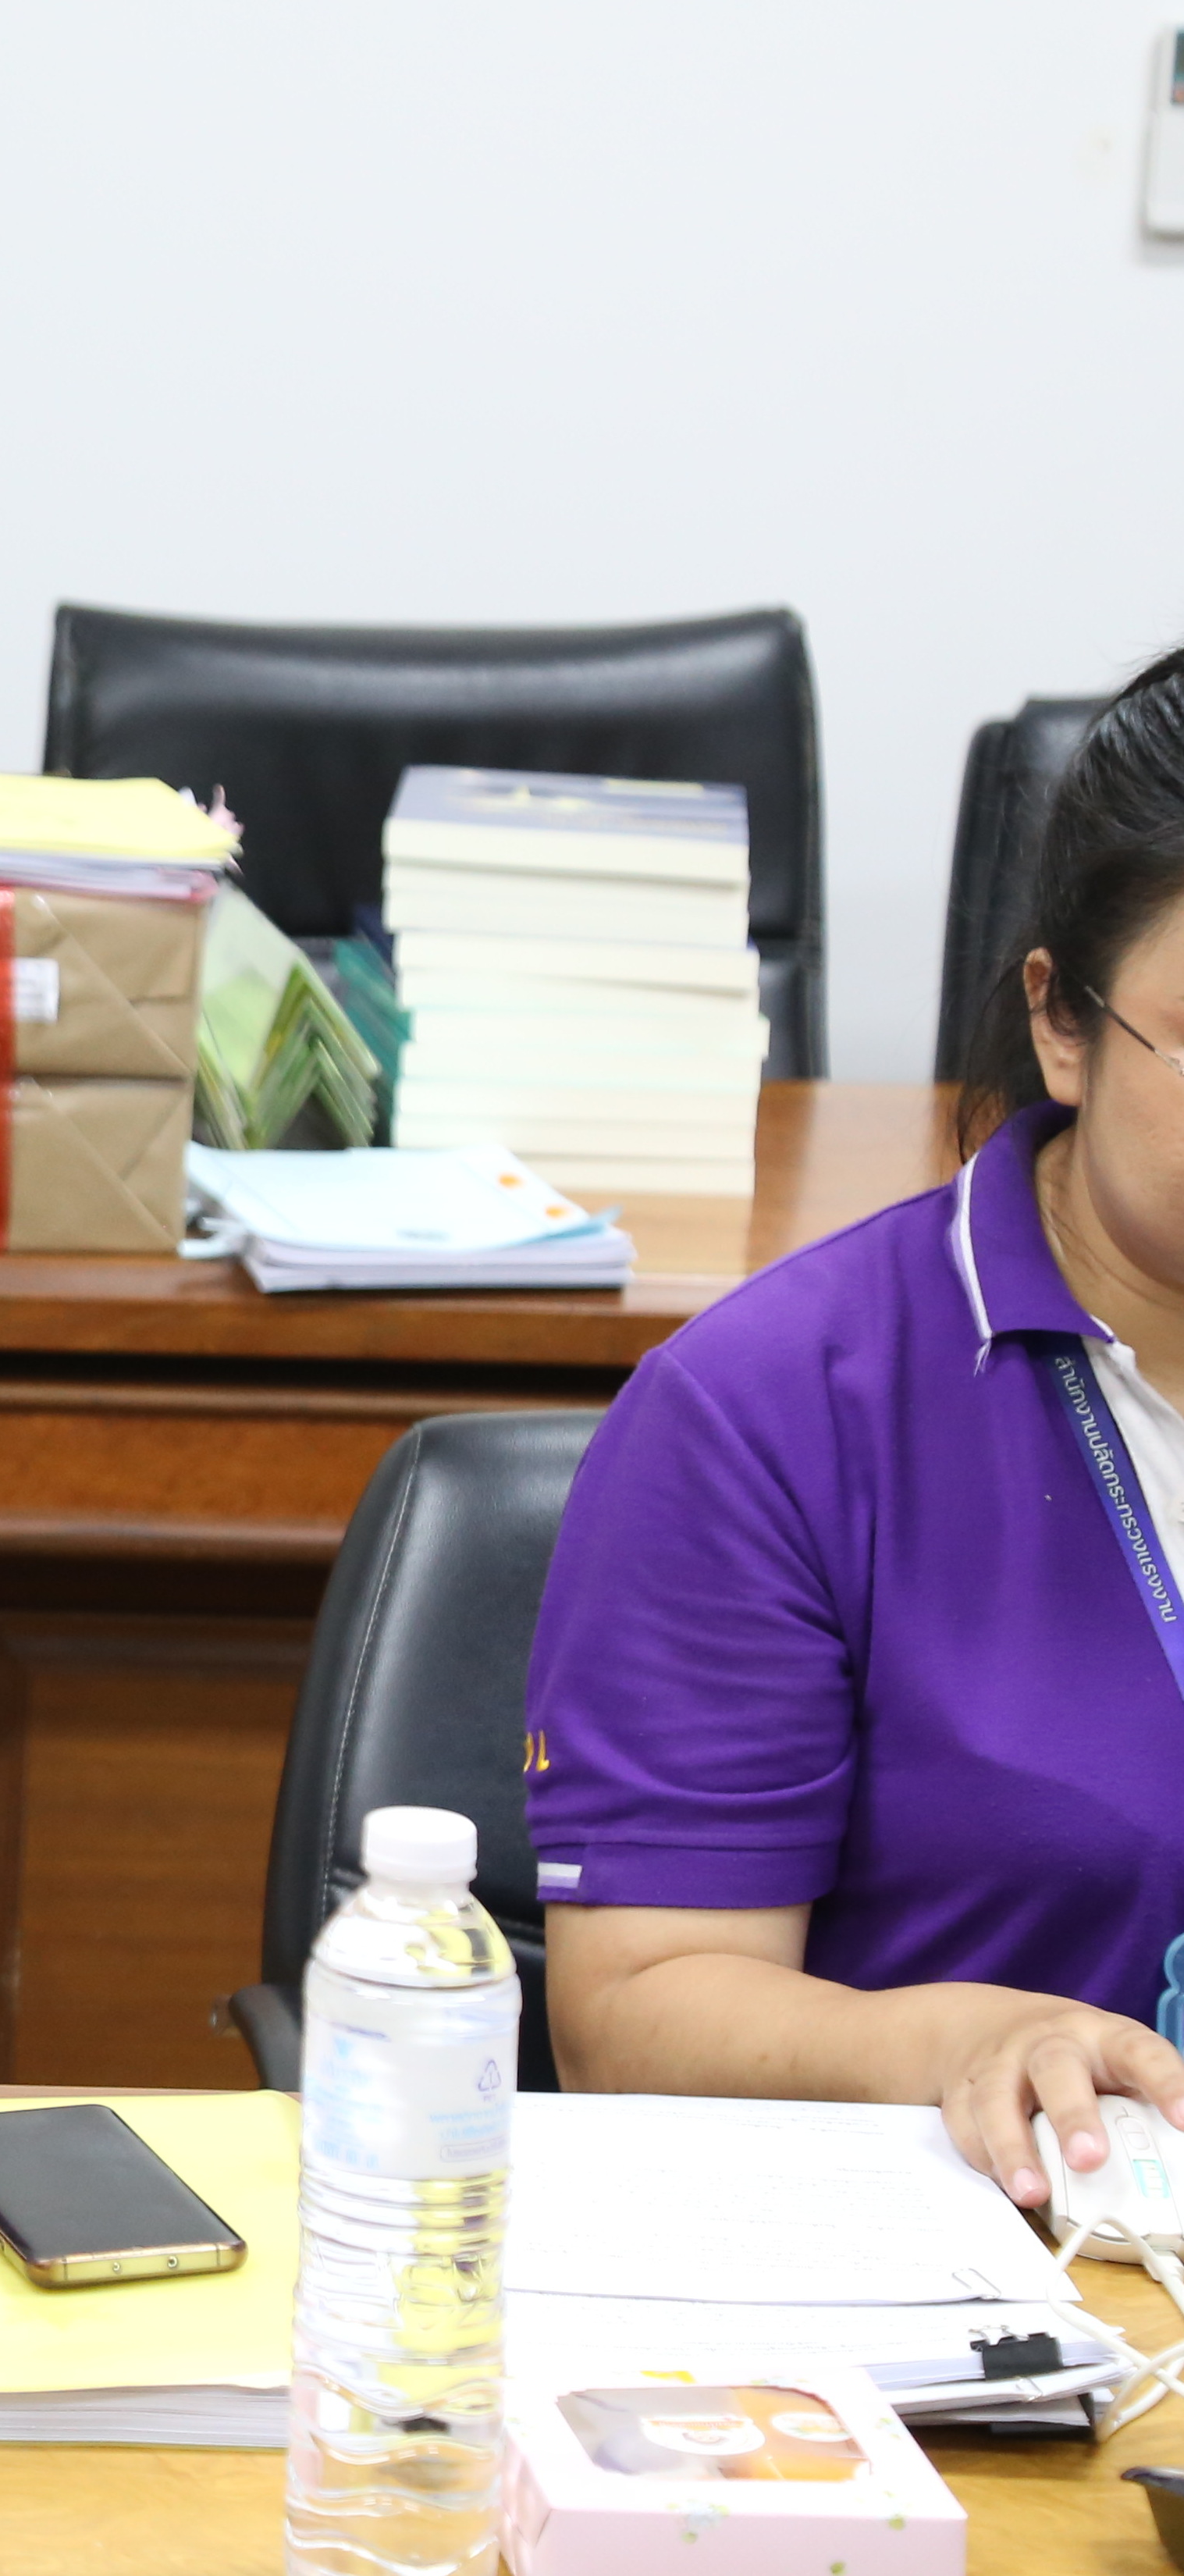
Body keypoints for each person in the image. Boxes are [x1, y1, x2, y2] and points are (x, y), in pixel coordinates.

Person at [532, 643, 1184, 2210]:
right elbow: (634, 2009)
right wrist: (960, 2043)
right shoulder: (773, 1410)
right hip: (977, 2270)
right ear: (1063, 1023)